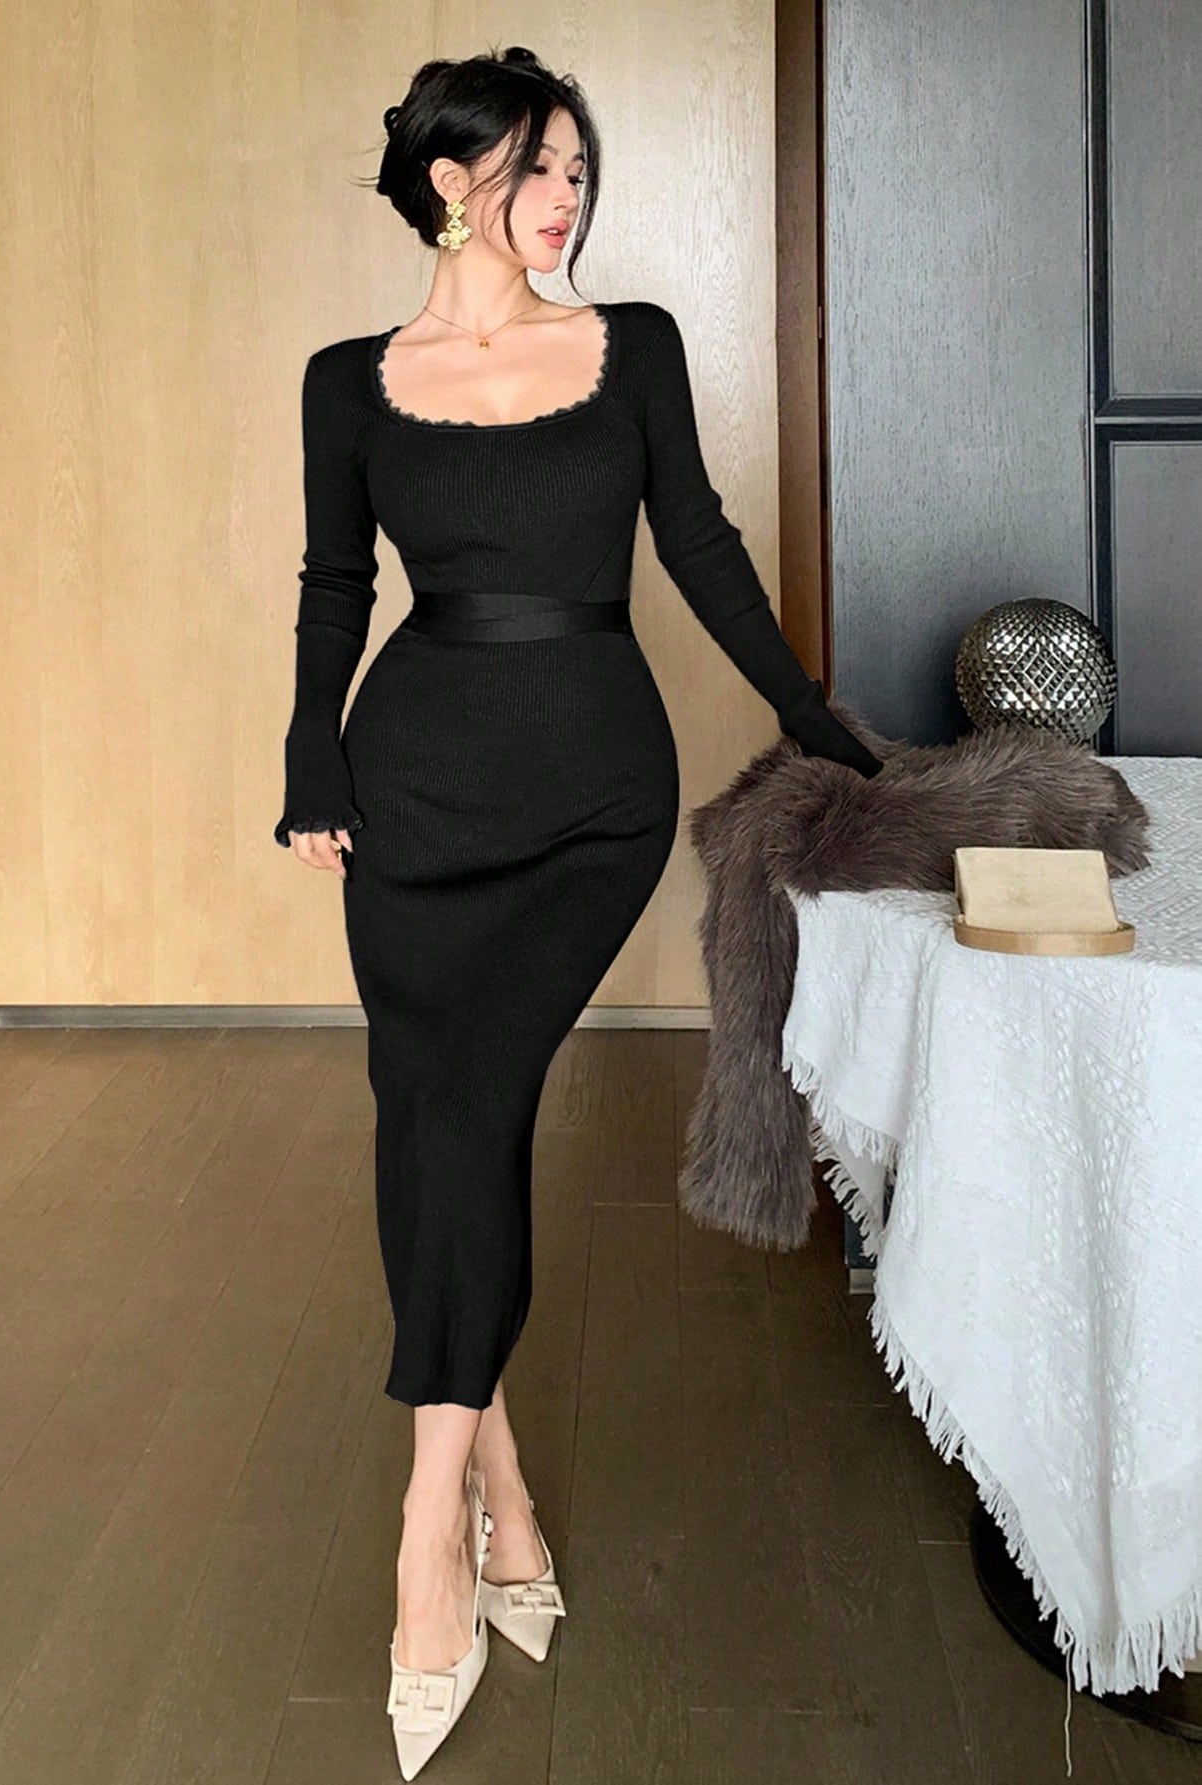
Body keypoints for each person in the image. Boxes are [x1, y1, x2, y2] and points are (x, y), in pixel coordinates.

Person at [273, 44, 884, 1779]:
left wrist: (819, 721)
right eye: (538, 168)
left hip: (588, 800)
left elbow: (699, 545)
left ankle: (424, 1535)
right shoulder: (347, 382)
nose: (567, 199)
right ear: (450, 180)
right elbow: (336, 584)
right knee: (426, 1109)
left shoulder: (636, 349)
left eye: (578, 172)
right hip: (410, 789)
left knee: (470, 1100)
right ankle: (503, 1490)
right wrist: (311, 756)